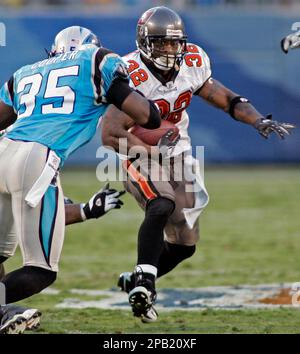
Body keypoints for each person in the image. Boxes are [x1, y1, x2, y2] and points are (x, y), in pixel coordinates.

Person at [101, 6, 296, 323]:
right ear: (144, 42)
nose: (168, 49)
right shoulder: (130, 73)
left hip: (179, 153)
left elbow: (226, 98)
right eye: (161, 42)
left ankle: (134, 279)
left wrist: (257, 120)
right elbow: (110, 134)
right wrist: (153, 152)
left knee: (184, 244)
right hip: (137, 150)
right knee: (160, 203)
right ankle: (145, 283)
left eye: (173, 42)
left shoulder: (192, 61)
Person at [0, 25, 161, 334]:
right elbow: (147, 117)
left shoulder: (25, 72)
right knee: (40, 270)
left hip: (3, 150)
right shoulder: (97, 60)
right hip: (37, 158)